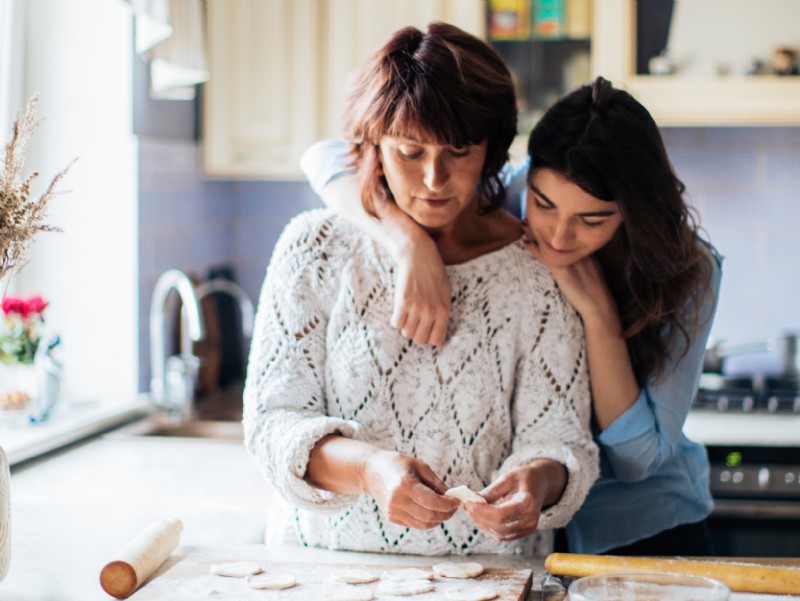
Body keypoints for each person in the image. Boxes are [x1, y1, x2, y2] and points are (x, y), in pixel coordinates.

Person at [300, 76, 722, 556]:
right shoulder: (508, 193)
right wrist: (407, 244)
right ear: (529, 176)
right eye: (543, 205)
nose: (560, 235)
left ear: (631, 211)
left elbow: (637, 460)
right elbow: (326, 157)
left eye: (593, 219)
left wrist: (598, 314)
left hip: (641, 528)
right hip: (531, 537)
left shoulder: (690, 270)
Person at [243, 22, 599, 557]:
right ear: (373, 146)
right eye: (410, 152)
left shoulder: (536, 271)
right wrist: (369, 470)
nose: (435, 179)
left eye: (459, 151)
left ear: (492, 150)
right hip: (324, 574)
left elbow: (564, 439)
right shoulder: (315, 248)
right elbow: (273, 423)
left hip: (491, 577)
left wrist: (536, 481)